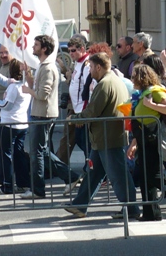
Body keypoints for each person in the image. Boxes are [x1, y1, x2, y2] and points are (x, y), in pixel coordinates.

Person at [64, 53, 139, 220]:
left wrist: (74, 119)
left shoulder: (105, 84)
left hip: (108, 137)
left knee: (118, 175)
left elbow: (93, 111)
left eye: (91, 67)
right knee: (94, 173)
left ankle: (132, 208)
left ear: (98, 67)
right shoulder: (114, 80)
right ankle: (80, 205)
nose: (90, 71)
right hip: (104, 137)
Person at [127, 64, 166, 221]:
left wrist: (151, 105)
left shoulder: (155, 91)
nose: (132, 79)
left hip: (152, 137)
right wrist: (134, 142)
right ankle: (151, 212)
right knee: (144, 176)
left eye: (134, 76)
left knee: (153, 175)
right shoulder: (142, 94)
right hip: (143, 137)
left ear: (142, 77)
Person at [20, 35, 80, 199]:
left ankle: (38, 189)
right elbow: (37, 87)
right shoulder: (43, 66)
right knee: (43, 152)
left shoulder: (47, 68)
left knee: (37, 153)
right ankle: (71, 177)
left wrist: (28, 91)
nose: (33, 47)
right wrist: (28, 74)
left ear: (44, 48)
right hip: (40, 113)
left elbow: (42, 94)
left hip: (43, 114)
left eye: (36, 44)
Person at [0, 58, 31, 194]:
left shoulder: (14, 88)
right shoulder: (24, 84)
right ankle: (23, 183)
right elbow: (4, 80)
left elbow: (7, 105)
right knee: (18, 154)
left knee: (5, 156)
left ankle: (7, 185)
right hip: (22, 124)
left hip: (9, 124)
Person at [56, 35, 91, 166]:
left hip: (81, 112)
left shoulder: (87, 65)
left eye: (73, 50)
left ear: (82, 48)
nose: (71, 53)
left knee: (85, 142)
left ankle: (94, 168)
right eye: (69, 50)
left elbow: (88, 91)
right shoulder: (78, 63)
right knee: (80, 141)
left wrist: (82, 115)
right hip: (76, 109)